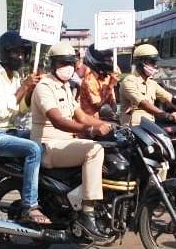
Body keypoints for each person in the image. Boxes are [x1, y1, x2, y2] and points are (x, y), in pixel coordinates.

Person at [31, 42, 114, 234]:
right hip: (48, 147)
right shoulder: (45, 86)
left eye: (70, 63)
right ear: (52, 64)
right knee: (94, 150)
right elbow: (58, 120)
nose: (67, 67)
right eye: (62, 63)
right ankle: (88, 213)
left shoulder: (67, 87)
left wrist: (106, 125)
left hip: (65, 144)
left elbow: (82, 116)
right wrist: (90, 130)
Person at [0, 31, 46, 223]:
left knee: (45, 139)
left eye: (23, 53)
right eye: (16, 53)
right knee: (33, 149)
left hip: (12, 132)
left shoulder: (16, 77)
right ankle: (29, 206)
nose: (20, 57)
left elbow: (20, 111)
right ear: (5, 52)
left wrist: (30, 92)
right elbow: (2, 111)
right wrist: (24, 87)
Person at [119, 44, 176, 126]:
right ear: (141, 63)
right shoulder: (129, 81)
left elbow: (169, 99)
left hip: (149, 128)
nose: (155, 65)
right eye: (152, 62)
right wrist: (167, 115)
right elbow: (143, 103)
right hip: (133, 130)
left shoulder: (152, 83)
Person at [78, 46, 120, 118]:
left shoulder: (107, 76)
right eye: (106, 59)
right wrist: (110, 86)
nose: (109, 61)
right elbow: (100, 106)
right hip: (91, 121)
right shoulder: (89, 80)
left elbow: (113, 103)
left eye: (109, 59)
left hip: (107, 118)